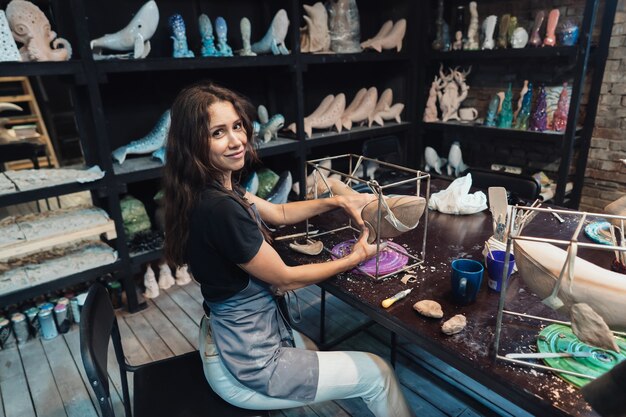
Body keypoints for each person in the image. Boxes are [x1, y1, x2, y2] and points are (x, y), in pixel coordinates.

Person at [163, 81, 415, 417]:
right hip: (250, 364)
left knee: (310, 346)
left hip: (228, 340)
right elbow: (285, 280)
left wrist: (337, 200)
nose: (237, 140)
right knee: (378, 374)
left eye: (237, 126)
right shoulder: (219, 209)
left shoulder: (210, 188)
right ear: (193, 142)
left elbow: (279, 212)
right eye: (218, 133)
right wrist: (356, 257)